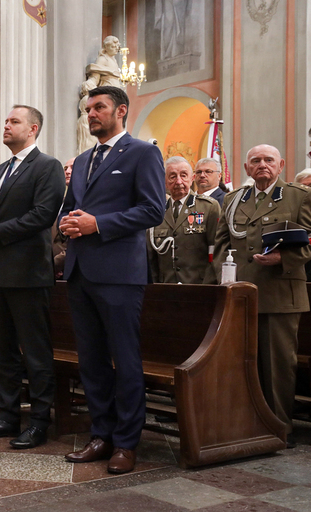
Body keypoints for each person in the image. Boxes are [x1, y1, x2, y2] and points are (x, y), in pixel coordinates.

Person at [59, 86, 165, 474]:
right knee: (91, 361)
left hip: (119, 273)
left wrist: (98, 224)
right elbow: (70, 207)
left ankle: (126, 443)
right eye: (88, 109)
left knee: (126, 359)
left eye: (99, 107)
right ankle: (101, 434)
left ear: (121, 111)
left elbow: (153, 210)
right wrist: (67, 222)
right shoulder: (83, 160)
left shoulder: (142, 152)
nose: (91, 114)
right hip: (80, 271)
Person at [0, 105, 65, 449]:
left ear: (33, 128)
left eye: (14, 121)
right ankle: (7, 416)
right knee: (2, 352)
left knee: (35, 354)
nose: (6, 125)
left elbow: (43, 214)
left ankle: (39, 422)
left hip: (28, 274)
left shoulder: (47, 166)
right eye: (6, 121)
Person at [214, 144, 311, 445]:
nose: (262, 165)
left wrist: (284, 258)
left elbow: (308, 241)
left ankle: (279, 427)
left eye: (269, 160)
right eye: (255, 161)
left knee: (277, 366)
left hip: (279, 293)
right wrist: (225, 279)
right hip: (240, 295)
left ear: (281, 165)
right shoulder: (233, 199)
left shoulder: (298, 197)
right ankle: (249, 422)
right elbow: (221, 244)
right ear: (246, 168)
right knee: (242, 363)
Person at [148, 156, 219, 284]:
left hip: (198, 286)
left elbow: (217, 251)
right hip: (165, 286)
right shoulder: (157, 211)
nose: (179, 181)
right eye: (172, 176)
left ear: (192, 179)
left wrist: (208, 285)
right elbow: (151, 257)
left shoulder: (208, 207)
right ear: (164, 181)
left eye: (183, 175)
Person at [53, 157, 76, 279]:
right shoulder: (57, 202)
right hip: (50, 273)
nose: (67, 171)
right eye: (65, 168)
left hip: (73, 268)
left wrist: (56, 263)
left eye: (73, 167)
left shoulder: (85, 202)